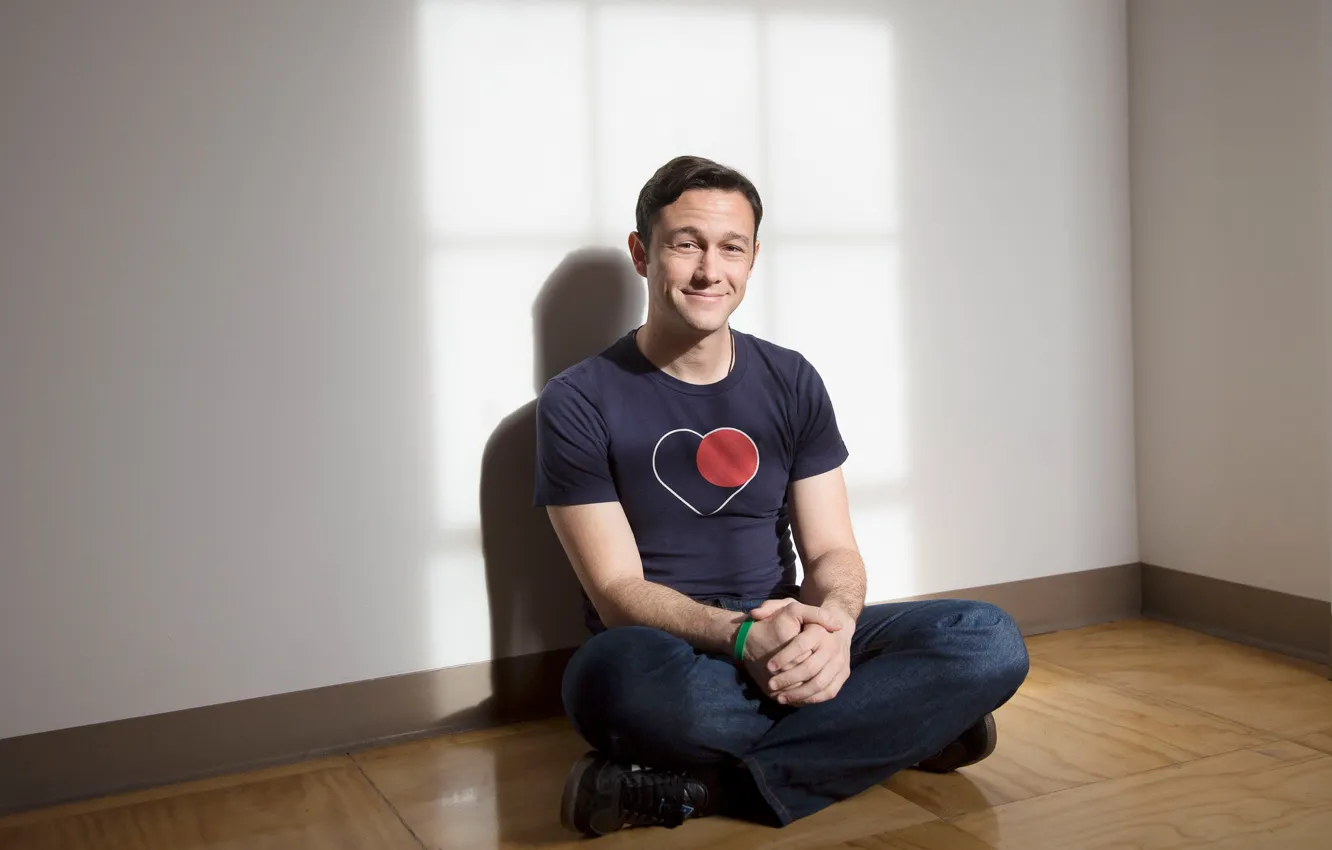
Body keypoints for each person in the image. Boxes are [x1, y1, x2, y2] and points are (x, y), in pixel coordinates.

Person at [533, 155, 1030, 837]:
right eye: (686, 245)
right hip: (671, 653)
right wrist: (739, 636)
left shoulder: (791, 380)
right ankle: (897, 727)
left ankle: (711, 789)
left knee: (989, 641)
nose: (711, 270)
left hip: (789, 626)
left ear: (753, 256)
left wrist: (835, 629)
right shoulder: (578, 400)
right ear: (642, 254)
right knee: (607, 683)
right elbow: (617, 591)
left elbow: (831, 550)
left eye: (730, 247)